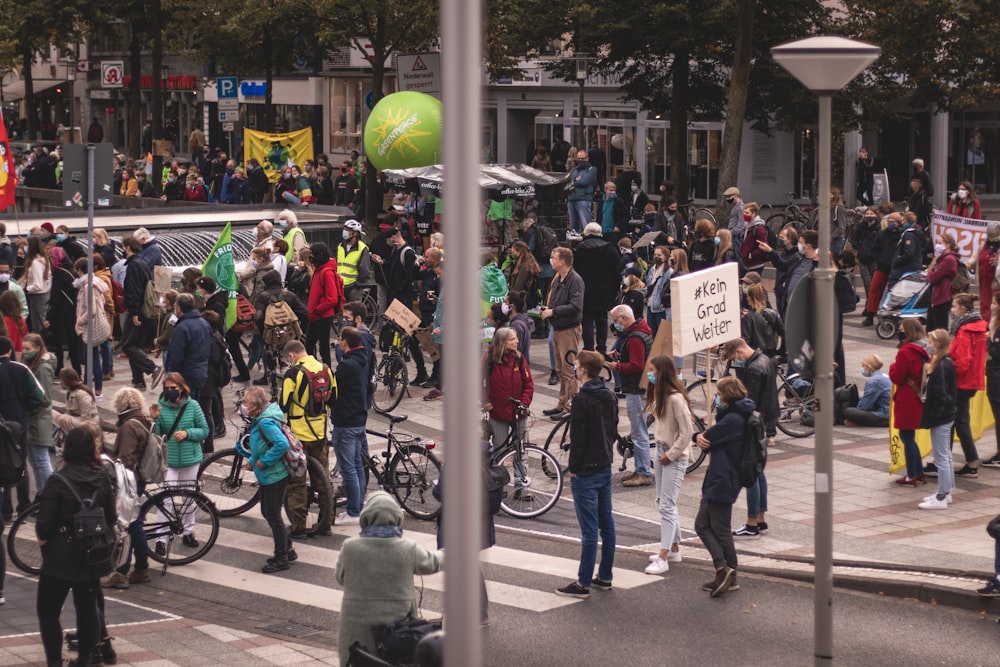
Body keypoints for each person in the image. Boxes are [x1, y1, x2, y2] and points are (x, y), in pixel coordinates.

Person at [36, 426, 116, 667]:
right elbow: (111, 517)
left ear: (67, 447)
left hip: (60, 555)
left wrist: (45, 545)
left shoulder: (57, 480)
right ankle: (84, 660)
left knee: (48, 610)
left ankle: (53, 661)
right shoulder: (101, 477)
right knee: (87, 607)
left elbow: (43, 525)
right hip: (92, 553)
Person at [335, 492, 443, 666]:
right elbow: (433, 563)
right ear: (397, 517)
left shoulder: (350, 547)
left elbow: (340, 578)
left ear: (366, 517)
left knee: (356, 661)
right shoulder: (407, 548)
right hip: (395, 630)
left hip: (355, 627)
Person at [555, 350, 617, 599]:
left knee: (589, 530)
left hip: (587, 471)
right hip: (604, 464)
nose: (574, 368)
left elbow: (577, 439)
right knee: (607, 526)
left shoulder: (582, 400)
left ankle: (582, 583)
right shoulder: (609, 395)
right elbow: (612, 430)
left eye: (577, 365)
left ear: (583, 370)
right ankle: (605, 576)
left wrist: (575, 469)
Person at [694, 376, 753, 597]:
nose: (717, 398)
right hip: (720, 477)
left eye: (719, 394)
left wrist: (697, 435)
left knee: (717, 529)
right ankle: (723, 571)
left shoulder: (732, 421)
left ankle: (727, 570)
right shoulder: (735, 416)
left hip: (722, 479)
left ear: (727, 395)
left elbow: (707, 438)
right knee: (704, 525)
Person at [722, 338, 778, 541]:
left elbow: (749, 401)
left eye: (733, 357)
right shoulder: (766, 360)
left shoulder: (754, 369)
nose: (735, 362)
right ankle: (760, 519)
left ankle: (752, 523)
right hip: (764, 421)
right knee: (759, 472)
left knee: (751, 474)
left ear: (738, 351)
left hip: (753, 424)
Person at [148, 373, 208, 554]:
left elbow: (205, 430)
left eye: (173, 388)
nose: (170, 392)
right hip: (170, 461)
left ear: (182, 388)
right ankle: (161, 538)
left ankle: (189, 532)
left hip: (191, 459)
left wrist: (188, 433)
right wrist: (155, 419)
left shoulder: (193, 405)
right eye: (167, 389)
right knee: (165, 499)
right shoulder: (160, 407)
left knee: (190, 498)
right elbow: (157, 438)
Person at [280, 340, 335, 539]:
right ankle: (326, 523)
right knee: (323, 480)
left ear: (291, 356)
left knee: (296, 483)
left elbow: (283, 405)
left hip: (298, 437)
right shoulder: (326, 370)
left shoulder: (292, 374)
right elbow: (334, 398)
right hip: (320, 434)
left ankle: (298, 528)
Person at [643, 355, 692, 575]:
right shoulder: (662, 395)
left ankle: (664, 555)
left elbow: (687, 432)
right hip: (661, 451)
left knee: (667, 505)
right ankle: (673, 547)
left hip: (673, 456)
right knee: (663, 501)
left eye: (652, 370)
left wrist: (671, 455)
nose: (649, 374)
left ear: (662, 372)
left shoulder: (675, 399)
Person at [238, 386, 295, 573]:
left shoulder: (265, 422)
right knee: (268, 512)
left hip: (274, 476)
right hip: (270, 475)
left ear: (255, 405)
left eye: (246, 402)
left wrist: (264, 461)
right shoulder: (260, 419)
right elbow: (262, 444)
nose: (243, 406)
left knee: (272, 515)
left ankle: (282, 557)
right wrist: (253, 460)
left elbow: (281, 444)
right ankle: (287, 548)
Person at [101, 387, 152, 590]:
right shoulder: (140, 419)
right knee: (132, 522)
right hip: (137, 477)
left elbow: (125, 458)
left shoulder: (128, 425)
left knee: (129, 524)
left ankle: (125, 572)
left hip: (129, 479)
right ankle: (140, 568)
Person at [938, 293, 986, 479]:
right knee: (959, 422)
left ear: (963, 309)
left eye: (954, 306)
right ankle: (966, 462)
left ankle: (960, 463)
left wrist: (946, 367)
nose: (952, 309)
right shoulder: (978, 328)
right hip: (971, 381)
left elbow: (963, 361)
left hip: (961, 383)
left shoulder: (965, 331)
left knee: (955, 423)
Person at [608, 304, 653, 487]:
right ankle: (640, 469)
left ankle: (644, 472)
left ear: (624, 318)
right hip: (639, 387)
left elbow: (636, 365)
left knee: (638, 433)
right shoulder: (640, 331)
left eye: (616, 321)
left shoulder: (635, 338)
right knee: (638, 430)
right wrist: (620, 356)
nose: (614, 324)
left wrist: (616, 366)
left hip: (636, 389)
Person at [484, 327, 534, 490]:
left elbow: (528, 384)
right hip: (498, 414)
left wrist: (524, 404)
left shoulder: (519, 359)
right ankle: (499, 487)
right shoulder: (488, 360)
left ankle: (521, 486)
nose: (517, 341)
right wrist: (485, 401)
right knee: (500, 452)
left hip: (519, 413)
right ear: (503, 343)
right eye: (513, 339)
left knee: (521, 451)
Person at [331, 327, 371, 524]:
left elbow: (334, 389)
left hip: (346, 421)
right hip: (359, 419)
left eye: (340, 339)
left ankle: (354, 511)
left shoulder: (348, 365)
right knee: (357, 466)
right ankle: (359, 506)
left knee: (349, 469)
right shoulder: (363, 359)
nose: (338, 342)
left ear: (346, 341)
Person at [540, 247, 584, 420]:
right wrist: (548, 309)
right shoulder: (558, 278)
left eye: (554, 258)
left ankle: (571, 407)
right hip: (557, 327)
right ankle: (562, 403)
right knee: (560, 369)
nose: (551, 260)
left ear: (562, 261)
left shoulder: (575, 280)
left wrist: (554, 312)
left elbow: (575, 306)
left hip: (568, 329)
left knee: (568, 369)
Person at [918, 329, 958, 510]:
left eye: (931, 341)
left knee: (941, 457)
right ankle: (945, 492)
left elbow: (942, 395)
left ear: (938, 344)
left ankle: (942, 495)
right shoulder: (943, 362)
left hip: (941, 416)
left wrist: (935, 416)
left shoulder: (942, 365)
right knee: (945, 456)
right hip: (945, 415)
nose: (928, 344)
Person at [889, 319, 929, 486]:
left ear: (909, 331)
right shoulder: (924, 349)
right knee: (910, 436)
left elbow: (897, 377)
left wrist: (892, 366)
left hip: (907, 398)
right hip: (918, 396)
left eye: (901, 328)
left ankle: (911, 475)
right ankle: (919, 472)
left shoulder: (905, 352)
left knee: (907, 437)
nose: (900, 330)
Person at [121, 236, 161, 390]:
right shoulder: (142, 264)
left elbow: (134, 290)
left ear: (128, 247)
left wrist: (135, 312)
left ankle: (153, 368)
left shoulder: (133, 266)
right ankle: (138, 381)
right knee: (134, 344)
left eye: (124, 247)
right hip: (144, 310)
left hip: (137, 311)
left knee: (127, 345)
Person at [574, 223, 620, 355]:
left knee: (587, 320)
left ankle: (588, 348)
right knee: (602, 320)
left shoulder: (579, 250)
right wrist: (614, 290)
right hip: (605, 291)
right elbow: (617, 272)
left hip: (586, 291)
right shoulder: (611, 249)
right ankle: (601, 348)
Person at [22, 334, 56, 492]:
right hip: (35, 419)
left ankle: (49, 496)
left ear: (38, 348)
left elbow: (44, 398)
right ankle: (42, 494)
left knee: (41, 461)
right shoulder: (33, 364)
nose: (24, 351)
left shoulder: (42, 368)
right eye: (23, 348)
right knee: (35, 462)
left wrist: (27, 405)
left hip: (39, 419)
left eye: (27, 349)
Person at [165, 293, 212, 401]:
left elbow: (177, 356)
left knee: (186, 408)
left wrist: (171, 376)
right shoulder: (204, 324)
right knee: (195, 404)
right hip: (201, 372)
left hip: (186, 374)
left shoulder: (182, 327)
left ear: (179, 308)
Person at [305, 242, 343, 367]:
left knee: (322, 347)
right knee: (311, 345)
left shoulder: (326, 272)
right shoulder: (320, 270)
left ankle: (325, 372)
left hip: (322, 315)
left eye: (312, 254)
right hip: (317, 315)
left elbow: (332, 298)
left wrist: (317, 309)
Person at [852, 208, 882, 326]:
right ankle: (869, 307)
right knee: (867, 284)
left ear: (876, 215)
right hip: (863, 259)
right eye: (867, 214)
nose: (869, 216)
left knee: (874, 286)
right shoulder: (861, 226)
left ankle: (871, 308)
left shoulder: (879, 228)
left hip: (874, 259)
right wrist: (859, 247)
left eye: (871, 213)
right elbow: (854, 239)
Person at [844, 354, 892, 427]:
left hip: (884, 416)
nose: (862, 368)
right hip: (891, 411)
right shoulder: (884, 376)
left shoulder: (873, 381)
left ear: (869, 367)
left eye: (863, 366)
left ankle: (859, 422)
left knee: (848, 411)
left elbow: (864, 407)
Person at [925, 233, 960, 332]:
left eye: (940, 243)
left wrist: (930, 272)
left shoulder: (948, 259)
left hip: (942, 295)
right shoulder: (943, 257)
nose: (937, 245)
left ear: (947, 245)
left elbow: (933, 277)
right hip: (937, 294)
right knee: (933, 326)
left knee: (939, 327)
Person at [54, 367, 98, 433]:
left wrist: (66, 419)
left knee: (62, 419)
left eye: (62, 380)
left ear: (66, 381)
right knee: (50, 413)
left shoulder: (82, 394)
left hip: (88, 424)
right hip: (76, 420)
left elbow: (86, 418)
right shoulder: (69, 392)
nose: (60, 383)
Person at [21, 234, 51, 333]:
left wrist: (27, 288)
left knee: (38, 325)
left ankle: (40, 344)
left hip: (38, 297)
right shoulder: (44, 260)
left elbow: (38, 285)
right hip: (44, 295)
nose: (25, 247)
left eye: (26, 245)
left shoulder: (36, 263)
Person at [337, 220, 371, 303]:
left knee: (354, 312)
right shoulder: (341, 246)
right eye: (344, 229)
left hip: (353, 287)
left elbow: (365, 269)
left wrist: (358, 286)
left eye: (348, 230)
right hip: (340, 285)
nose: (344, 232)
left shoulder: (362, 248)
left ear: (355, 233)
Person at [566, 150, 597, 234]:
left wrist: (574, 182)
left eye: (582, 158)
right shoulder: (574, 170)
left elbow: (584, 182)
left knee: (586, 226)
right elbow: (567, 181)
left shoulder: (592, 169)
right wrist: (576, 181)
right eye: (578, 158)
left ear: (587, 158)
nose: (580, 160)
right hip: (571, 199)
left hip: (583, 199)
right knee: (573, 228)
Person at [978, 222, 1000, 321]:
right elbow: (976, 256)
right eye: (990, 236)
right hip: (984, 278)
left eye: (995, 235)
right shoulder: (984, 244)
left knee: (996, 302)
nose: (993, 238)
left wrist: (998, 260)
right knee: (984, 302)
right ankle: (985, 323)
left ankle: (996, 324)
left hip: (996, 279)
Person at [739, 202, 769, 273]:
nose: (744, 215)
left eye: (747, 213)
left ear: (754, 214)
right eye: (744, 212)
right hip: (747, 263)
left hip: (755, 265)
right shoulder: (747, 227)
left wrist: (751, 255)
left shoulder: (759, 229)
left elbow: (763, 246)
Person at [723, 186, 745, 254]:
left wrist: (730, 233)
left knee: (736, 255)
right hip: (734, 236)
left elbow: (741, 225)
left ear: (735, 195)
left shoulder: (740, 208)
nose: (727, 199)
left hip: (736, 237)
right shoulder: (736, 206)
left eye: (729, 196)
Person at [829, 187, 849, 257]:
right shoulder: (831, 207)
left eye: (830, 195)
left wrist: (832, 236)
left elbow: (842, 226)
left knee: (835, 260)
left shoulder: (839, 208)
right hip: (831, 238)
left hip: (836, 239)